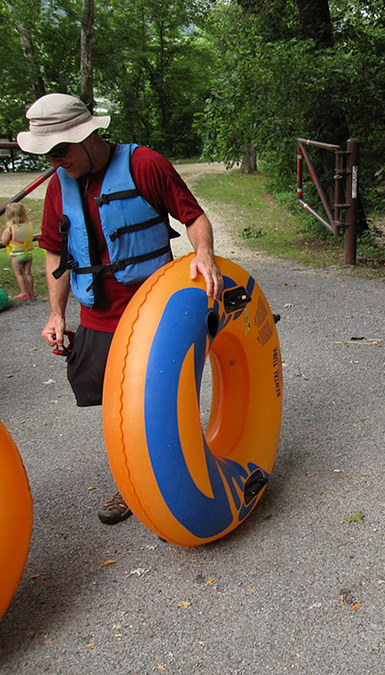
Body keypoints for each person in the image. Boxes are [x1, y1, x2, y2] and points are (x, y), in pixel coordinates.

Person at [17, 93, 224, 525]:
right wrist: (57, 314)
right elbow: (54, 254)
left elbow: (194, 217)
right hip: (98, 317)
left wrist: (203, 251)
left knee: (162, 403)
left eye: (61, 150)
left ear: (89, 135)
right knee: (115, 408)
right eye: (47, 154)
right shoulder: (59, 185)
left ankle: (180, 483)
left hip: (155, 313)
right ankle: (133, 485)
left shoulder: (145, 164)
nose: (55, 161)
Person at [1, 202, 36, 299]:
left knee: (19, 273)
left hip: (17, 255)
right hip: (28, 253)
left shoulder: (10, 228)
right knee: (28, 272)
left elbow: (4, 241)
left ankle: (24, 293)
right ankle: (31, 292)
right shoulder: (28, 225)